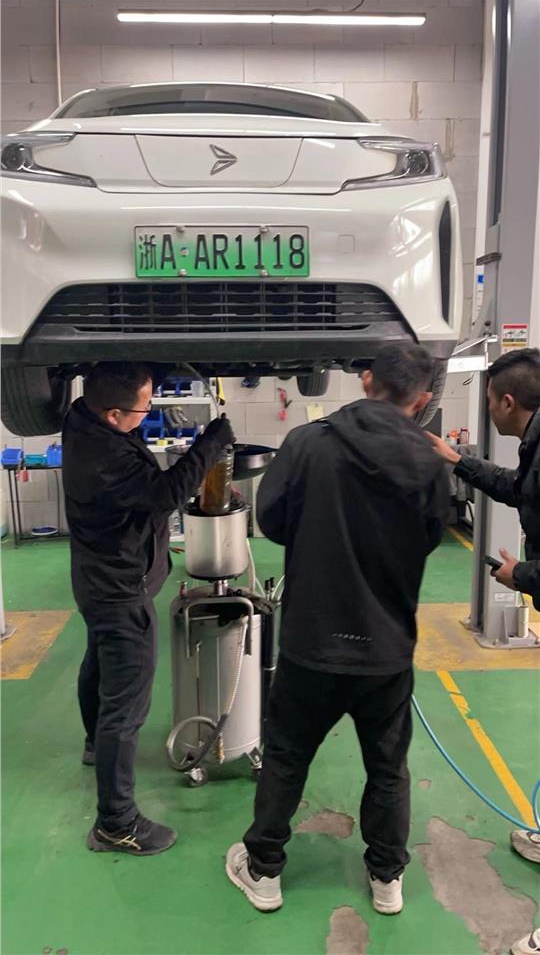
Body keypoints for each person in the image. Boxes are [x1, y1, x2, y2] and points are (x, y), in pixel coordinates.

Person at [225, 343, 449, 914]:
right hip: (387, 650)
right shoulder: (428, 463)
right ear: (422, 399)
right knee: (388, 767)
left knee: (286, 756)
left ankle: (264, 871)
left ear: (366, 379)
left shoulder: (307, 443)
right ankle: (387, 878)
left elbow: (273, 520)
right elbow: (428, 538)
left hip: (312, 642)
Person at [62, 362, 233, 856]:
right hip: (120, 592)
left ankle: (94, 743)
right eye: (143, 408)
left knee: (99, 662)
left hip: (95, 581)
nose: (149, 411)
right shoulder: (106, 460)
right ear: (114, 415)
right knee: (126, 708)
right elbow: (165, 495)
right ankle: (116, 823)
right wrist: (210, 444)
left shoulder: (80, 417)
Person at [427, 347, 540, 955]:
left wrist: (524, 576)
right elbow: (519, 489)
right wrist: (459, 461)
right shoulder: (534, 446)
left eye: (489, 399)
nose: (488, 409)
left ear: (506, 402)